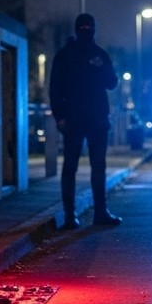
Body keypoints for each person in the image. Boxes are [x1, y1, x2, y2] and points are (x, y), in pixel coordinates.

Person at [49, 12, 122, 228]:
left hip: (89, 119)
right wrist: (60, 116)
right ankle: (77, 215)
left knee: (89, 166)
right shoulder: (69, 55)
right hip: (81, 119)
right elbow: (55, 89)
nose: (86, 33)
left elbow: (111, 82)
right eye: (85, 29)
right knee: (80, 167)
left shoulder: (86, 55)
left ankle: (91, 213)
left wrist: (60, 116)